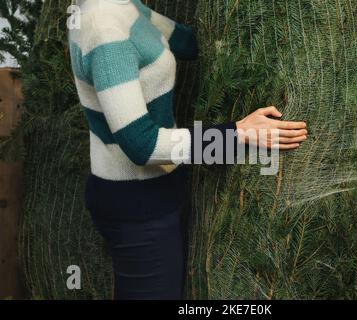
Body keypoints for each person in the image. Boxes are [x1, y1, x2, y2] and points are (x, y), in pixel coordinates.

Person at [68, 0, 308, 299]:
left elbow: (186, 41)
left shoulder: (124, 7)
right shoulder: (103, 27)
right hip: (137, 206)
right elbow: (141, 145)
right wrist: (237, 134)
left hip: (157, 192)